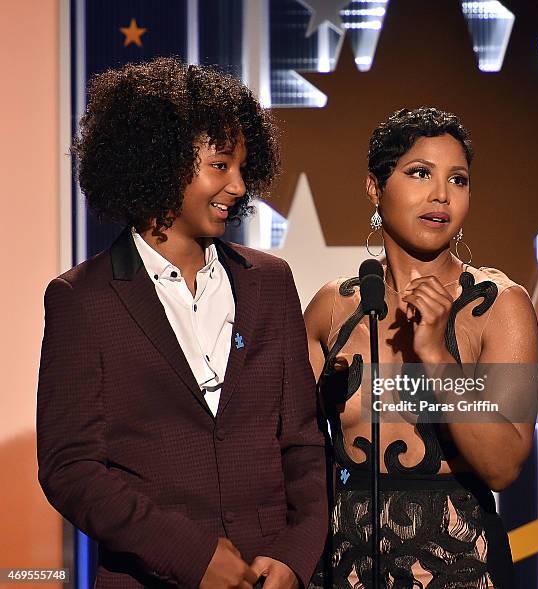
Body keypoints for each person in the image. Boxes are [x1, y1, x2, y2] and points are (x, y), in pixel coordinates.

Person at [36, 56, 328, 589]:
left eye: (243, 167)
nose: (239, 186)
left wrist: (294, 555)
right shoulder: (81, 299)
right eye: (220, 166)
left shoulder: (270, 282)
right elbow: (70, 468)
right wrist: (191, 556)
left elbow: (304, 446)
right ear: (162, 162)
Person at [305, 107, 538, 588]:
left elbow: (503, 465)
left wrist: (435, 352)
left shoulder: (500, 305)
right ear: (375, 187)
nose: (441, 195)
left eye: (459, 180)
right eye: (419, 173)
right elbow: (289, 450)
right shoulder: (335, 306)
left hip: (460, 566)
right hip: (344, 567)